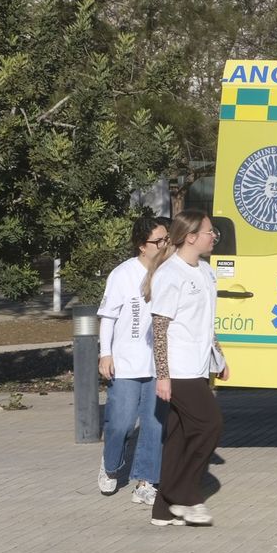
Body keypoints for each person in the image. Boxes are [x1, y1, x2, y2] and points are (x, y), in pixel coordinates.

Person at [145, 209, 228, 527]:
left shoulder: (206, 272)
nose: (213, 237)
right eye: (209, 232)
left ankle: (163, 509)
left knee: (179, 436)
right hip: (177, 370)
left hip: (197, 366)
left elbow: (206, 322)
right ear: (190, 237)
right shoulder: (171, 273)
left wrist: (218, 356)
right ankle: (185, 494)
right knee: (210, 425)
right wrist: (163, 375)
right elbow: (160, 328)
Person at [96, 216, 171, 506]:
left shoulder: (170, 272)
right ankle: (110, 464)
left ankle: (145, 481)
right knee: (121, 424)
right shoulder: (122, 274)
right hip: (126, 363)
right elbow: (108, 317)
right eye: (158, 241)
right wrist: (106, 354)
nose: (165, 245)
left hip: (157, 365)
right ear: (142, 246)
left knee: (153, 425)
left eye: (167, 239)